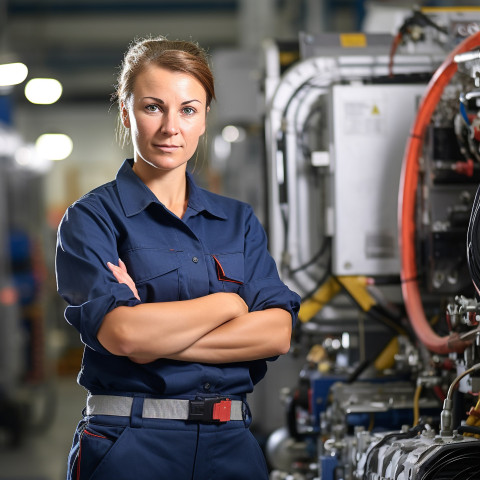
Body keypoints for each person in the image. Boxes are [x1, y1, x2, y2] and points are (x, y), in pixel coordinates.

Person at [55, 35, 300, 480]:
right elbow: (124, 335)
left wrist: (155, 338)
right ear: (127, 111)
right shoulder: (92, 220)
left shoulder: (237, 221)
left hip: (232, 445)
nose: (172, 127)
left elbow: (278, 333)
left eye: (188, 109)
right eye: (153, 107)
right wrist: (228, 306)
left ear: (205, 117)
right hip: (131, 443)